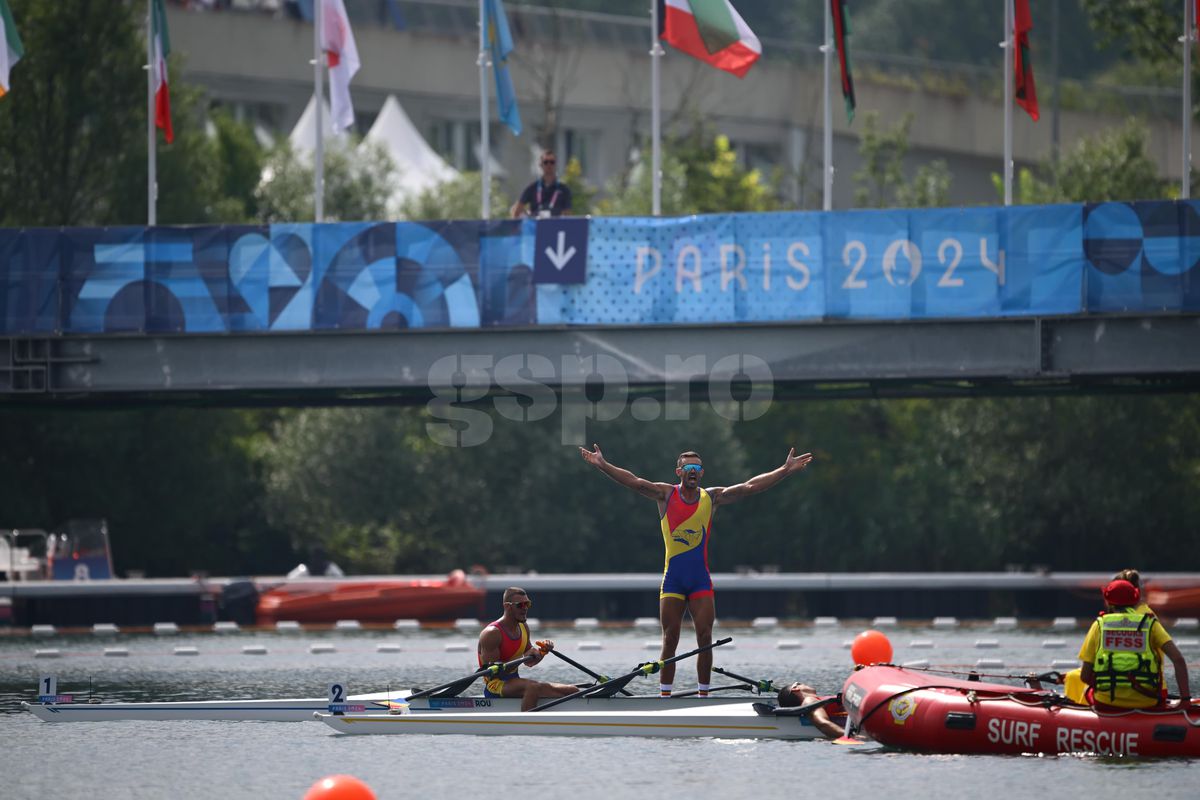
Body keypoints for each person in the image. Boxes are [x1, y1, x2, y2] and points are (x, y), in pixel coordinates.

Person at [579, 445, 813, 698]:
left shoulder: (711, 497)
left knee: (705, 636)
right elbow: (634, 482)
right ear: (679, 471)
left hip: (700, 580)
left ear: (701, 473)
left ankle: (704, 695)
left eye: (697, 468)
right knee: (670, 639)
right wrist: (603, 465)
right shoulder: (665, 494)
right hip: (673, 581)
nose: (693, 471)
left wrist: (785, 470)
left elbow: (750, 487)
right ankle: (665, 696)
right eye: (689, 467)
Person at [1077, 579, 1190, 710]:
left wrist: (1107, 687)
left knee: (1086, 693)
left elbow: (1085, 676)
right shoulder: (1150, 623)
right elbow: (1178, 660)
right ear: (1136, 599)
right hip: (1146, 701)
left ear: (1108, 601)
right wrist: (1185, 700)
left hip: (1107, 701)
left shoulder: (1099, 625)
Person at [477, 586, 578, 711]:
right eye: (520, 605)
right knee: (533, 687)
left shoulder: (523, 627)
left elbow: (529, 662)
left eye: (527, 604)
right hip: (496, 685)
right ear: (507, 606)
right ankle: (527, 723)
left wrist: (542, 652)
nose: (525, 608)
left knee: (572, 690)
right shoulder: (492, 633)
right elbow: (494, 673)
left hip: (515, 681)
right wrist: (523, 657)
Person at [510, 150, 572, 219]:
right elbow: (517, 210)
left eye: (552, 162)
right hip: (536, 227)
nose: (549, 165)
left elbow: (567, 215)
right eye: (546, 162)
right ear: (540, 164)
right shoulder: (532, 188)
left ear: (555, 164)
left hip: (556, 227)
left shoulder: (564, 189)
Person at [776, 682, 843, 739]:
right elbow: (823, 724)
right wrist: (851, 736)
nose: (804, 684)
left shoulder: (817, 700)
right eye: (799, 683)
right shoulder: (809, 701)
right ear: (795, 689)